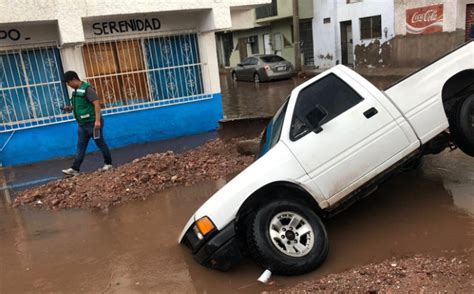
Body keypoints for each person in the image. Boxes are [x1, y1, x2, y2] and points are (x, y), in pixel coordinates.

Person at [61, 71, 113, 176]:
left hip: (93, 124)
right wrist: (70, 108)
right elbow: (80, 105)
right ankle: (75, 169)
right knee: (80, 147)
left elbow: (96, 104)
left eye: (68, 83)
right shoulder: (75, 92)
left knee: (100, 144)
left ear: (74, 79)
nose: (68, 85)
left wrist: (97, 121)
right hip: (82, 125)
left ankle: (108, 164)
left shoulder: (87, 89)